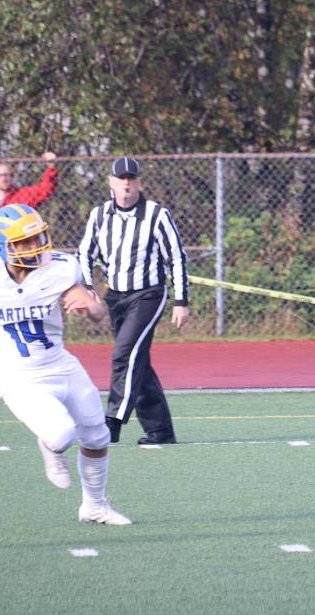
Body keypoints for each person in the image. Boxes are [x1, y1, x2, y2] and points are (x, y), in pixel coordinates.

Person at [0, 204, 131, 524]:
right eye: (23, 242)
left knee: (97, 436)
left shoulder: (60, 268)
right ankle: (50, 448)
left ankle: (94, 506)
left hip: (62, 365)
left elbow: (97, 313)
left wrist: (90, 307)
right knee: (61, 433)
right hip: (19, 377)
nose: (34, 246)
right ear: (2, 246)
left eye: (37, 237)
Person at [77, 157, 190, 446]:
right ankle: (161, 431)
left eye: (131, 178)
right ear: (111, 182)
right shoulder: (99, 215)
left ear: (139, 181)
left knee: (123, 354)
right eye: (121, 178)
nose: (126, 183)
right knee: (137, 362)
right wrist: (89, 290)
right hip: (115, 297)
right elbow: (85, 254)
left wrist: (181, 300)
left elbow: (176, 257)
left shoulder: (156, 215)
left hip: (148, 294)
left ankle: (112, 421)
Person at [0, 152, 59, 244]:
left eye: (7, 175)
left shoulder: (24, 195)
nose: (4, 178)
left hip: (23, 249)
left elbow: (46, 188)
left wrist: (51, 167)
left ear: (12, 177)